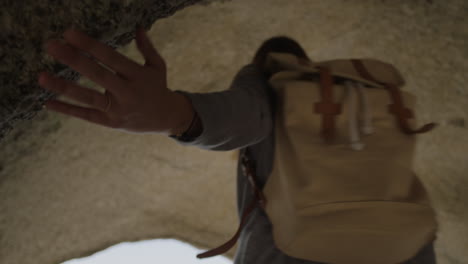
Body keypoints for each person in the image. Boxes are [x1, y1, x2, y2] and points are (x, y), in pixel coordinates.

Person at [38, 27, 437, 264]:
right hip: (407, 248)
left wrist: (177, 115)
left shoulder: (277, 80)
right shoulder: (363, 100)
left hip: (300, 253)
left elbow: (245, 115)